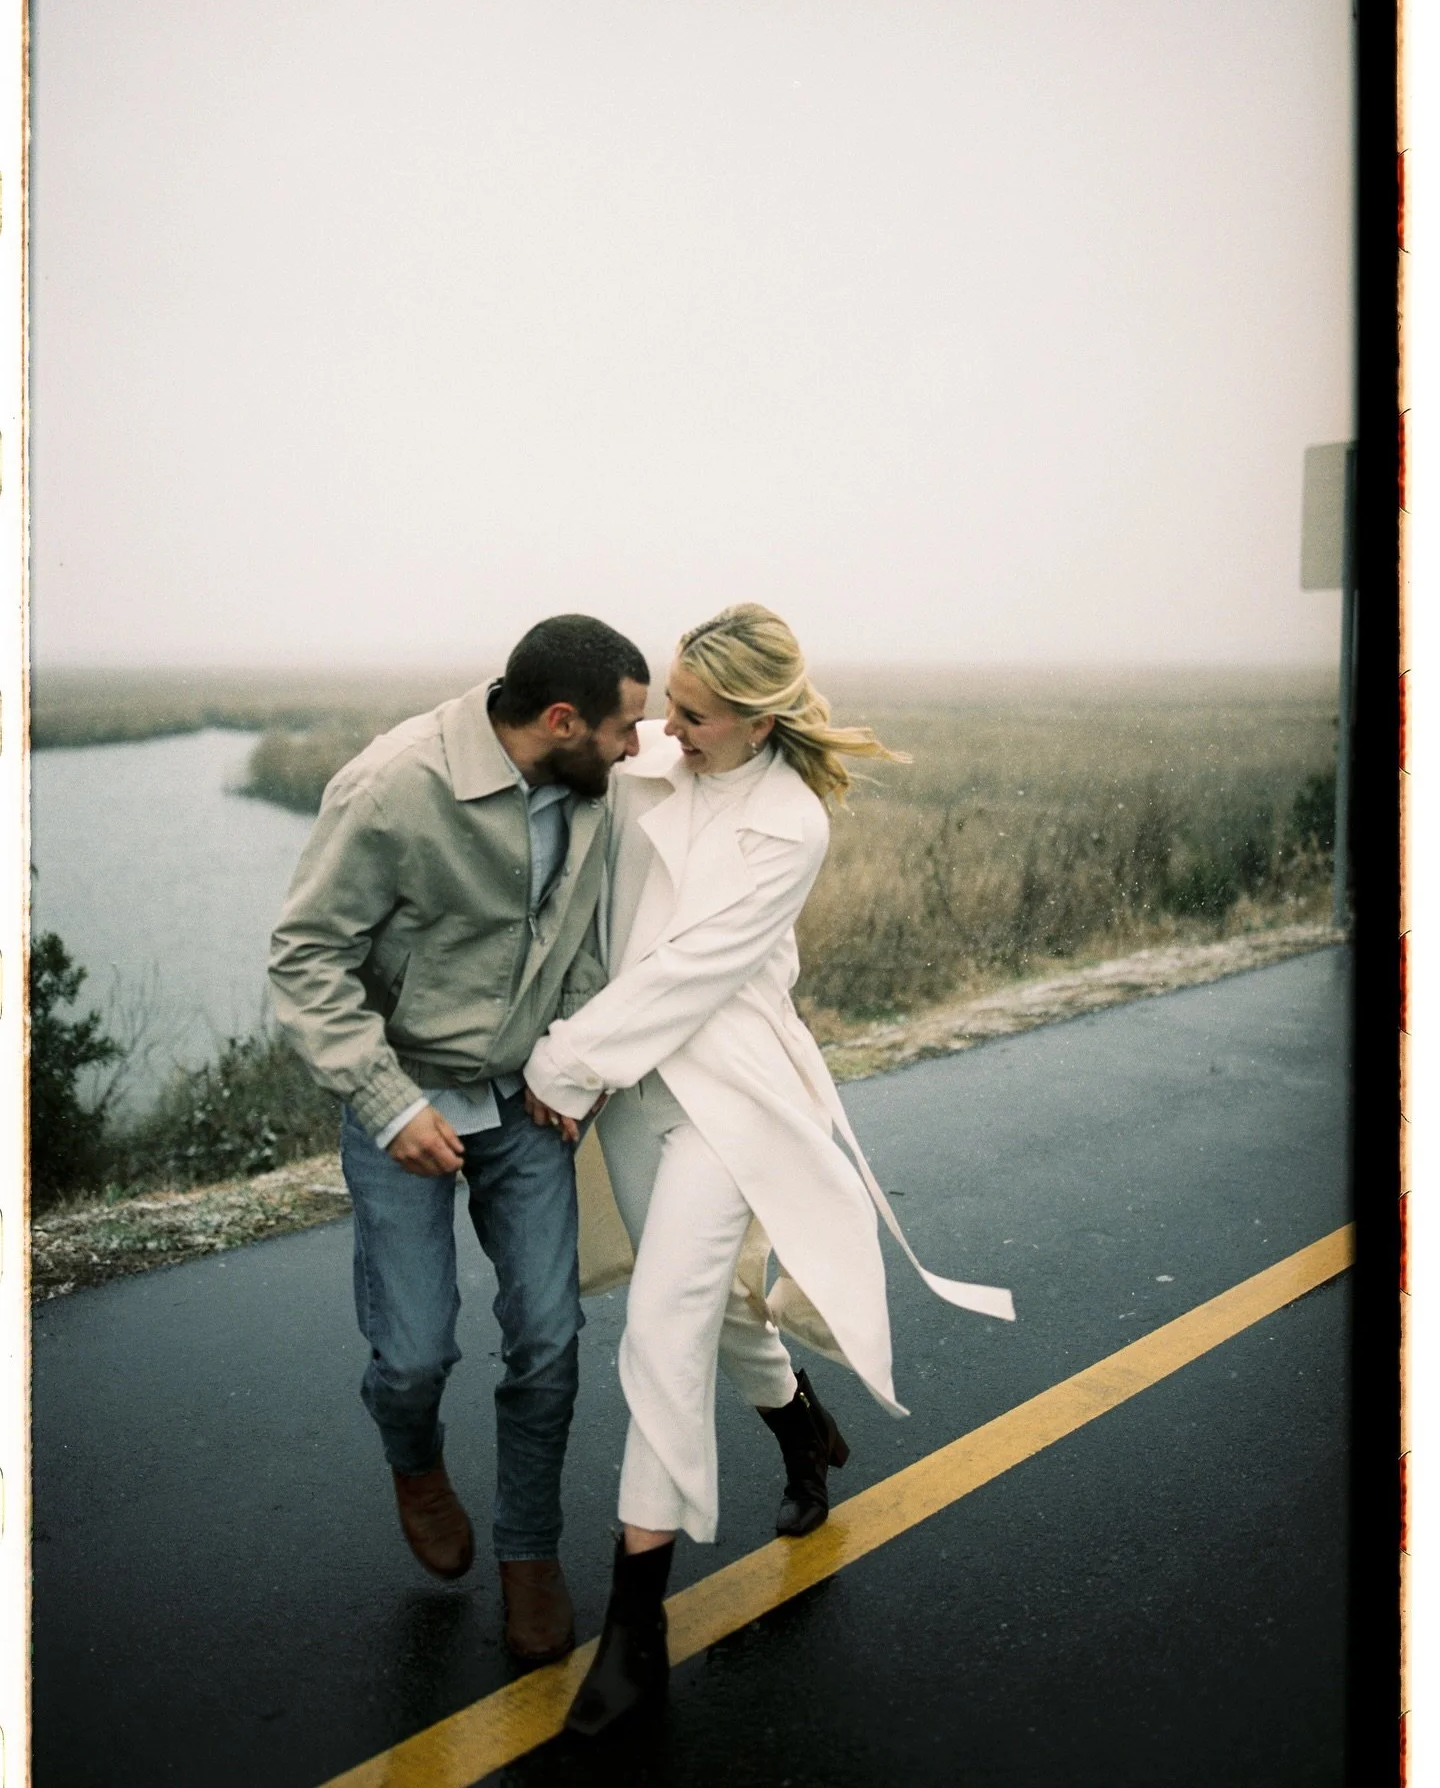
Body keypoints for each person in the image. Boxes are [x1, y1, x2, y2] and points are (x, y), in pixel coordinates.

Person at [523, 603, 1014, 1734]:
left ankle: (635, 1628)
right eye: (669, 708)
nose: (668, 728)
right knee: (713, 1305)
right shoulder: (661, 757)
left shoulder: (789, 826)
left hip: (729, 1100)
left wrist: (565, 1061)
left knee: (661, 1326)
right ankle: (798, 1421)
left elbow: (689, 973)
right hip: (635, 1096)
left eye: (691, 714)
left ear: (752, 719)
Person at [268, 614, 650, 1665]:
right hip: (405, 1105)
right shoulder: (392, 786)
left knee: (549, 1339)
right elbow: (304, 962)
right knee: (415, 1353)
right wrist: (389, 1104)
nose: (634, 750)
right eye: (623, 728)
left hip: (526, 1106)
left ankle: (530, 1551)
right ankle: (415, 1457)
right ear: (561, 718)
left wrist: (571, 1062)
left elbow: (580, 941)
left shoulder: (589, 791)